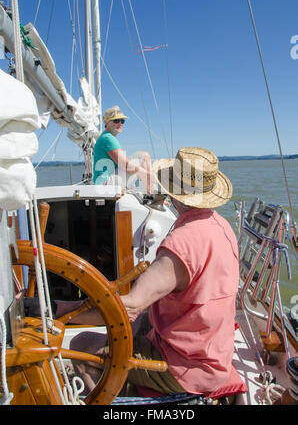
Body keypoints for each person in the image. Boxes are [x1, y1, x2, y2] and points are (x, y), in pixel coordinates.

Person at [69, 146, 240, 398]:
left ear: (174, 192)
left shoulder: (182, 243)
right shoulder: (222, 226)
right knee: (141, 323)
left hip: (188, 367)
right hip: (214, 351)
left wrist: (66, 316)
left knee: (81, 344)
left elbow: (129, 308)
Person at [93, 105, 156, 194]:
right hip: (105, 183)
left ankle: (152, 192)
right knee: (144, 156)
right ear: (106, 122)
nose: (120, 124)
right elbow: (125, 165)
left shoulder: (105, 137)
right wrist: (147, 174)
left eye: (122, 121)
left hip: (103, 182)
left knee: (141, 162)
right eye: (116, 121)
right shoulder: (108, 138)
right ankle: (154, 194)